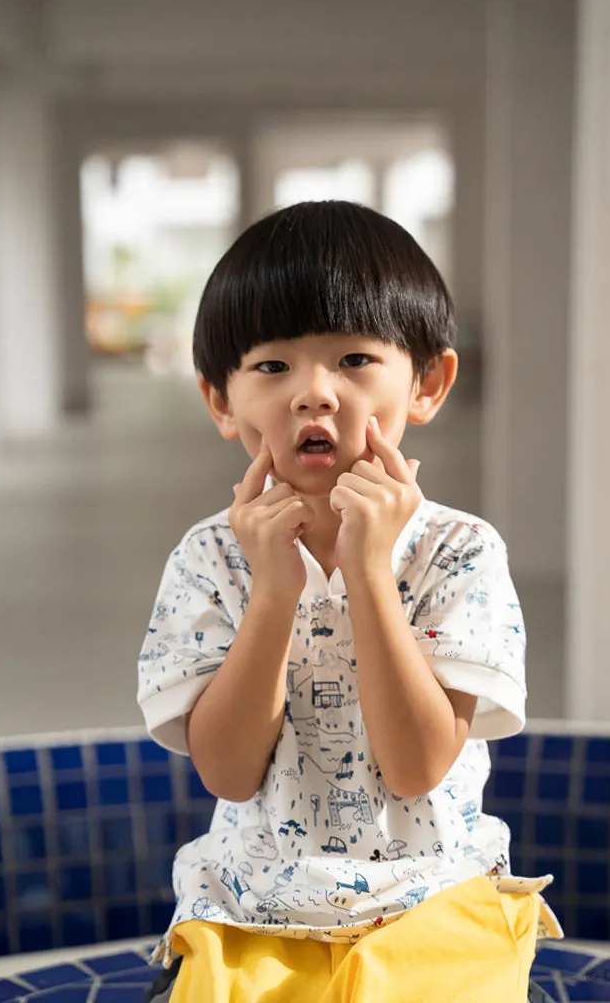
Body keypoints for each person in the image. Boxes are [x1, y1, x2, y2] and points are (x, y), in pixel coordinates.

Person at [137, 200, 563, 1003]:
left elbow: (414, 767)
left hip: (431, 894)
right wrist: (272, 593)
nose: (314, 394)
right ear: (220, 401)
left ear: (427, 383)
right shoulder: (207, 559)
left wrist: (370, 576)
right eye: (272, 366)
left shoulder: (461, 551)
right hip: (253, 905)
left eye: (355, 359)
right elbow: (227, 773)